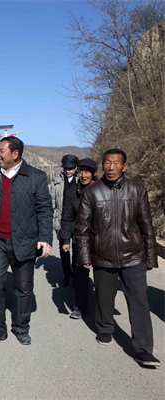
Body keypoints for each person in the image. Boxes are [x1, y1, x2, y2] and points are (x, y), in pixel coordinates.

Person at [75, 149, 159, 367]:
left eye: (116, 163)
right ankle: (105, 327)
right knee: (104, 297)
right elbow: (82, 229)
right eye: (107, 163)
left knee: (139, 301)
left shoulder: (137, 190)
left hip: (133, 256)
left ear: (125, 166)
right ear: (102, 166)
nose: (111, 168)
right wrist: (84, 255)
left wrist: (151, 257)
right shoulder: (91, 192)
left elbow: (146, 226)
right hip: (103, 256)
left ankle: (144, 349)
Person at [0, 136, 53, 348]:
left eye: (1, 151)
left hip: (24, 241)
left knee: (23, 288)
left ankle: (21, 327)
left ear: (15, 154)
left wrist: (44, 238)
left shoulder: (35, 177)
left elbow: (45, 210)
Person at [60, 158, 98, 319]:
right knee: (80, 275)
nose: (83, 175)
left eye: (87, 171)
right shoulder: (71, 193)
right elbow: (67, 218)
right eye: (81, 171)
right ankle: (80, 306)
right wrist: (66, 240)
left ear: (94, 174)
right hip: (80, 239)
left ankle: (102, 308)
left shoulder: (102, 190)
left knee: (103, 277)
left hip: (101, 240)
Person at [50, 154, 79, 287]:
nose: (68, 170)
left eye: (71, 168)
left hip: (78, 220)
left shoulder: (82, 179)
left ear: (76, 167)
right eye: (66, 168)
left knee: (77, 248)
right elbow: (52, 201)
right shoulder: (57, 181)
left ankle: (77, 272)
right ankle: (66, 272)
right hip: (62, 218)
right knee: (64, 249)